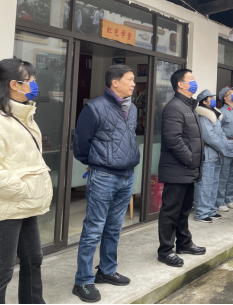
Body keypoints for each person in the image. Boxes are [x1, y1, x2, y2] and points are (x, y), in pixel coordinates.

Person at [73, 65, 141, 303]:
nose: (133, 84)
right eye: (129, 80)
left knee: (114, 227)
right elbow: (81, 144)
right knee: (94, 229)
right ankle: (83, 281)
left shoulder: (132, 108)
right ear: (115, 82)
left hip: (127, 176)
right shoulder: (94, 107)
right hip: (103, 176)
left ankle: (107, 270)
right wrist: (94, 162)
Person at [0, 58, 52, 305]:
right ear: (14, 84)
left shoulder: (20, 115)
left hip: (23, 205)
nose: (34, 84)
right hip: (4, 208)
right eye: (31, 80)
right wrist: (22, 190)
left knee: (33, 260)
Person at [157, 69, 206, 269]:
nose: (194, 82)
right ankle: (165, 250)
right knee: (170, 211)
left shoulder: (189, 106)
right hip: (178, 169)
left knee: (184, 209)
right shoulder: (174, 107)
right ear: (180, 84)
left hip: (187, 169)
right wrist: (190, 159)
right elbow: (173, 139)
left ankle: (184, 243)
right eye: (191, 79)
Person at [194, 90, 228, 223]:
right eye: (210, 98)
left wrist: (223, 147)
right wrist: (223, 148)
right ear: (204, 102)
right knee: (205, 185)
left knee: (214, 184)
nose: (213, 100)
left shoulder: (214, 115)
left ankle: (211, 210)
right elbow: (210, 137)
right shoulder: (203, 117)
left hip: (216, 154)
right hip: (207, 154)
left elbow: (221, 134)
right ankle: (201, 212)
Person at [216, 87, 233, 212]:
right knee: (223, 176)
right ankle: (220, 201)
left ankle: (229, 199)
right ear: (225, 98)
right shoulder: (222, 112)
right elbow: (218, 131)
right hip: (226, 146)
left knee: (232, 176)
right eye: (231, 93)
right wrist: (221, 147)